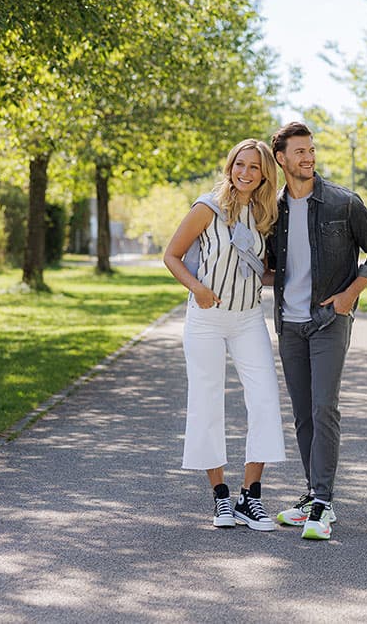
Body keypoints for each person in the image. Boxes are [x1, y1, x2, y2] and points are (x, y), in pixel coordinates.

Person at [267, 122, 367, 541]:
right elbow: (270, 264)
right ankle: (314, 495)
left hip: (329, 321)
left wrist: (349, 295)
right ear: (281, 159)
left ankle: (322, 500)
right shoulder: (273, 209)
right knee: (302, 414)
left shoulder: (342, 202)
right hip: (289, 323)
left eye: (311, 150)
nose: (308, 158)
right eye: (299, 152)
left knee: (324, 409)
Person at [163, 138, 286, 532]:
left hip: (249, 317)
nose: (245, 173)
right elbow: (171, 255)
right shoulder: (207, 208)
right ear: (230, 166)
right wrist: (196, 288)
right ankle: (220, 498)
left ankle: (251, 497)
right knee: (206, 401)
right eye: (239, 164)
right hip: (206, 319)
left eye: (254, 167)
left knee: (265, 399)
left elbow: (262, 271)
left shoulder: (268, 214)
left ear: (265, 173)